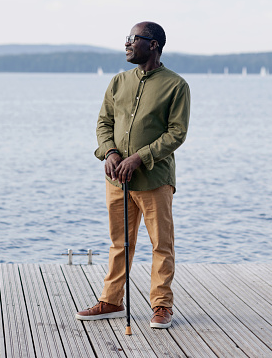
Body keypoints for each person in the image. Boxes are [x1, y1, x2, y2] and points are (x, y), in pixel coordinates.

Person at [76, 21, 190, 329]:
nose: (127, 44)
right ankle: (111, 300)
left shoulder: (176, 86)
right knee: (119, 243)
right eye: (127, 39)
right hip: (117, 180)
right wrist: (110, 153)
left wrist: (139, 158)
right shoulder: (117, 82)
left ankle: (162, 306)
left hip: (154, 181)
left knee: (161, 245)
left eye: (133, 39)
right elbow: (103, 123)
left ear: (153, 44)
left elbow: (177, 133)